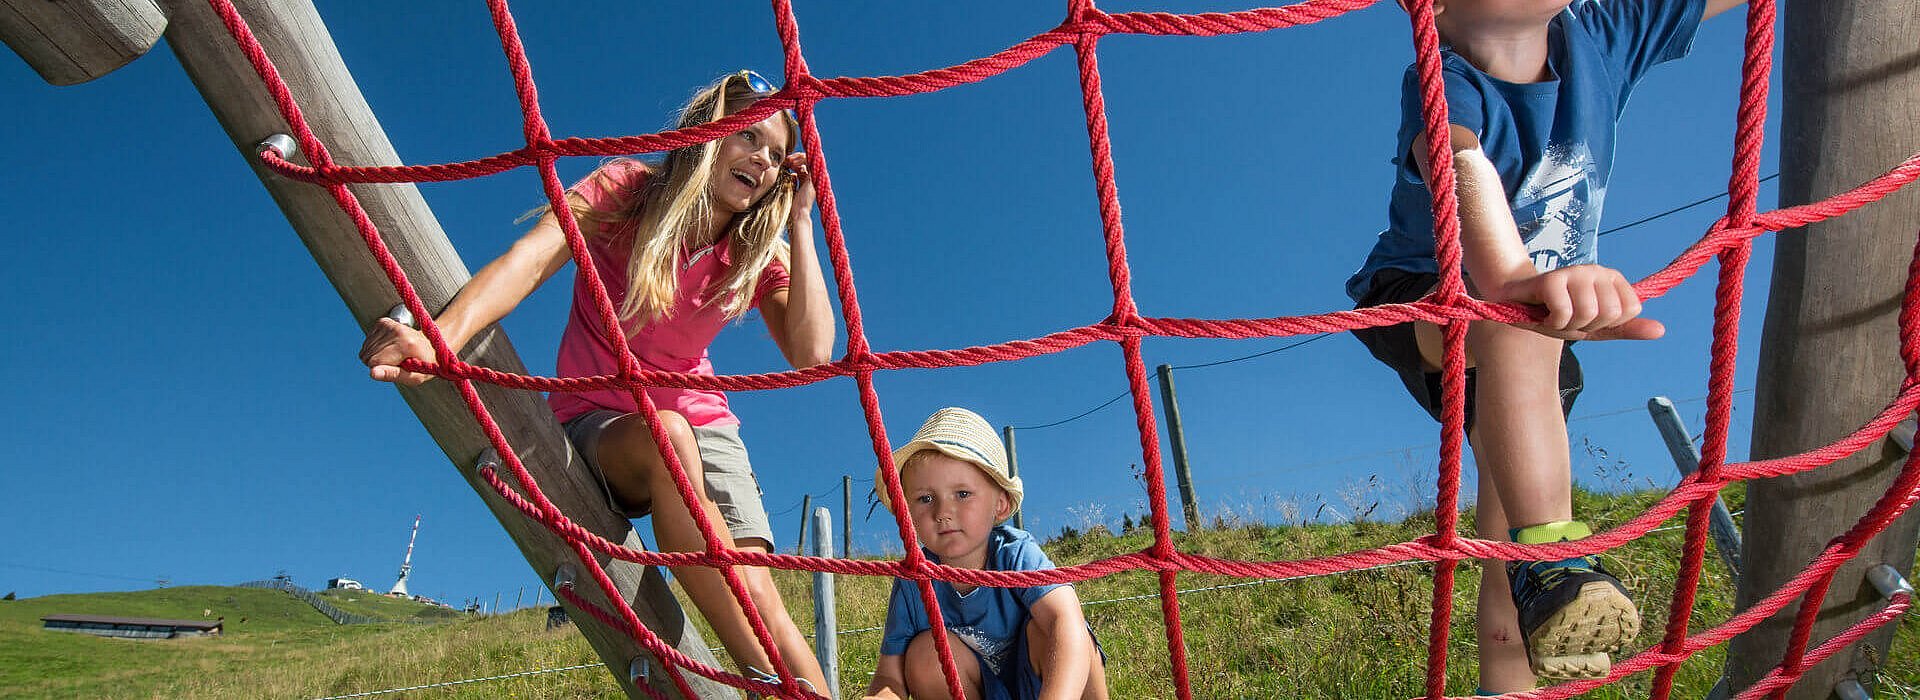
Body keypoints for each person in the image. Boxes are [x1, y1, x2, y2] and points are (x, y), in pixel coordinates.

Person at [360, 70, 833, 694]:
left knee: (756, 581)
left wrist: (799, 222)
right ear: (708, 132)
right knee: (667, 437)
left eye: (777, 156)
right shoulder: (626, 189)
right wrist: (439, 336)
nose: (763, 161)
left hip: (704, 416)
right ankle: (772, 686)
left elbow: (814, 352)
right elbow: (529, 260)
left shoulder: (748, 251)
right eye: (750, 138)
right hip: (603, 422)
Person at [1344, 0, 1746, 690]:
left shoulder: (1603, 35)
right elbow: (1458, 163)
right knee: (1509, 330)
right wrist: (1511, 275)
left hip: (1537, 326)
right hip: (1423, 294)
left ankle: (1513, 676)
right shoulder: (1443, 76)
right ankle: (1558, 561)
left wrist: (1527, 288)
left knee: (1506, 515)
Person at [863, 408, 1108, 700]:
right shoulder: (914, 579)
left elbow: (1065, 620)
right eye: (925, 498)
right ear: (907, 513)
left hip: (1050, 687)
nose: (943, 513)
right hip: (980, 689)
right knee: (925, 654)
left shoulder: (1015, 554)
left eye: (962, 494)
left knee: (1065, 631)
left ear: (1001, 505)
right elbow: (889, 676)